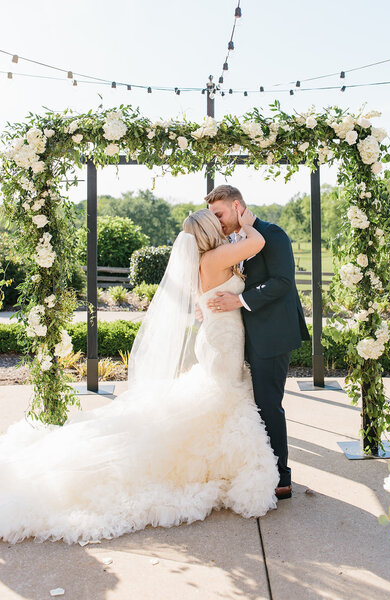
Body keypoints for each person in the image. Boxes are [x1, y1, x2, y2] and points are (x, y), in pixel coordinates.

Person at [0, 208, 280, 545]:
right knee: (223, 398)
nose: (223, 224)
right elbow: (259, 241)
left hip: (220, 338)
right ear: (208, 231)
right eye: (217, 221)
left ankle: (216, 467)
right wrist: (247, 224)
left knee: (218, 400)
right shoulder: (216, 257)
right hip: (223, 344)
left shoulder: (207, 260)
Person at [205, 185, 310, 499]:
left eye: (220, 214)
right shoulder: (230, 240)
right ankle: (258, 468)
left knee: (268, 404)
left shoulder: (272, 234)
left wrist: (239, 301)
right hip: (243, 336)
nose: (217, 222)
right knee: (249, 407)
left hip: (272, 335)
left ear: (237, 207)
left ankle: (281, 478)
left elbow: (282, 282)